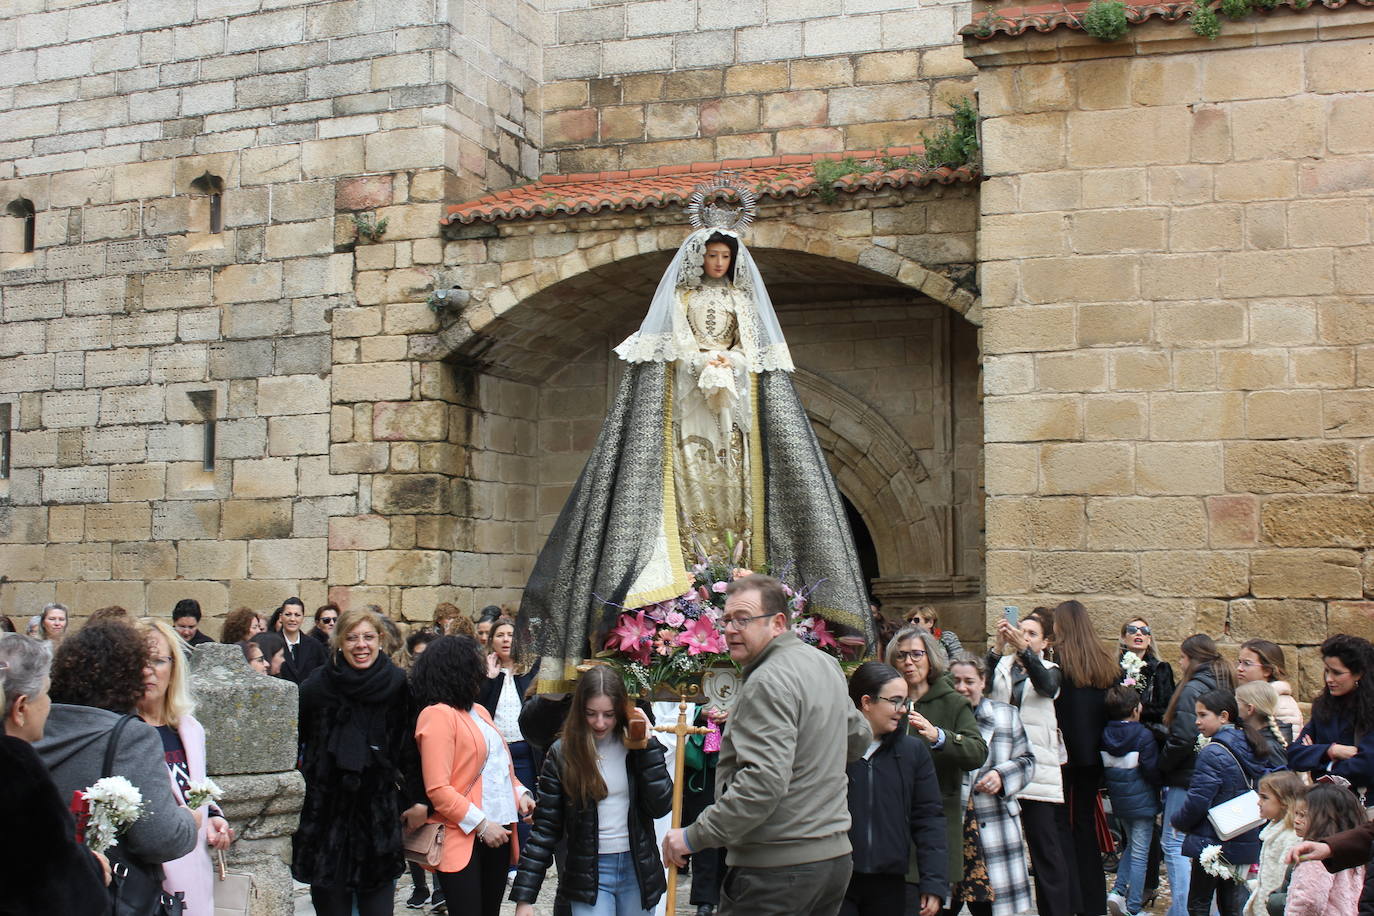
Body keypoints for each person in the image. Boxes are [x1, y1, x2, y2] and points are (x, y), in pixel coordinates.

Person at [520, 216, 874, 691]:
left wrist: (731, 362)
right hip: (687, 402)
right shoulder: (681, 300)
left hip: (733, 407)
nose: (719, 263)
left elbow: (754, 350)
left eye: (726, 257)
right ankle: (680, 585)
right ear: (698, 258)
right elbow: (674, 347)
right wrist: (699, 362)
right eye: (712, 255)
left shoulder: (741, 301)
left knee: (739, 475)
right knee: (682, 476)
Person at [661, 574, 871, 916]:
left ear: (778, 623)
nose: (730, 629)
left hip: (776, 870)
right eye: (726, 619)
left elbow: (761, 785)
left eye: (743, 619)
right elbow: (858, 738)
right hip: (831, 862)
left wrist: (692, 837)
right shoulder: (825, 664)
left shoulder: (768, 680)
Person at [34, 618, 200, 892]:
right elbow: (159, 839)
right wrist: (188, 822)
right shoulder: (132, 737)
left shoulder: (37, 725)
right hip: (100, 890)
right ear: (128, 676)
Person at [292, 607, 428, 916]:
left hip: (377, 815)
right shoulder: (315, 689)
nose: (360, 645)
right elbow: (295, 743)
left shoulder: (397, 686)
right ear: (338, 641)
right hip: (326, 817)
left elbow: (411, 749)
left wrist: (419, 799)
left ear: (381, 640)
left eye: (368, 637)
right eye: (351, 638)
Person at [512, 664, 670, 916]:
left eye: (608, 714)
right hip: (589, 872)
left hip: (636, 868)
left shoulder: (636, 745)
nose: (600, 723)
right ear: (579, 711)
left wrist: (649, 747)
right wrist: (524, 898)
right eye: (591, 713)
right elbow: (545, 829)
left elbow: (661, 805)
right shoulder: (563, 752)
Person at [410, 636, 530, 915]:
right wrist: (482, 825)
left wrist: (520, 793)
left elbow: (499, 769)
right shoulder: (436, 715)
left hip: (499, 829)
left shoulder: (480, 711)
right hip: (465, 833)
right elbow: (438, 789)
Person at [0, 633, 111, 916]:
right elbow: (62, 891)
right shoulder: (14, 767)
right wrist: (94, 869)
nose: (49, 704)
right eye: (46, 692)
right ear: (21, 707)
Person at [136, 618, 233, 916]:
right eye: (139, 660)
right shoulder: (124, 732)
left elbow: (193, 786)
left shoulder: (189, 728)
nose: (148, 671)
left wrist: (214, 815)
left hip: (194, 869)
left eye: (158, 660)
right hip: (149, 879)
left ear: (174, 667)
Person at [887, 624, 988, 904]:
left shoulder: (953, 703)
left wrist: (939, 737)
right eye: (901, 655)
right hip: (890, 817)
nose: (908, 662)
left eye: (916, 654)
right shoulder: (887, 700)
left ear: (930, 658)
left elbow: (977, 752)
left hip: (935, 816)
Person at [841, 661, 946, 916]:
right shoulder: (835, 748)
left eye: (905, 701)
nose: (903, 710)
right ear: (866, 702)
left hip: (891, 882)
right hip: (838, 881)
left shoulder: (912, 752)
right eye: (895, 701)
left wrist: (934, 882)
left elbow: (929, 818)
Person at [986, 607, 1072, 916]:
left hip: (1036, 769)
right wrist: (998, 647)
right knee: (993, 846)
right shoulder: (1001, 665)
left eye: (1032, 634)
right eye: (1021, 630)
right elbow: (979, 689)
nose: (1024, 637)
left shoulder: (1051, 668)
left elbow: (1047, 687)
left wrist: (1025, 651)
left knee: (1044, 848)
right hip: (999, 764)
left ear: (1046, 641)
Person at [1171, 688, 1281, 916]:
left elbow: (1199, 799)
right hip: (1243, 830)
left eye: (1203, 715)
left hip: (1212, 836)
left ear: (1223, 716)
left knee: (1199, 902)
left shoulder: (1213, 751)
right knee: (1231, 904)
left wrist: (1178, 821)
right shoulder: (1250, 741)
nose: (1197, 721)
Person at [949, 653, 1035, 916]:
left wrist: (1002, 776)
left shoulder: (1006, 716)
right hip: (952, 827)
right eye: (956, 681)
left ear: (983, 682)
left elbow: (1028, 761)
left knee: (988, 908)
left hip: (992, 823)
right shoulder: (940, 718)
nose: (962, 687)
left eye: (969, 681)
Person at [1050, 599, 1120, 916]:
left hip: (1067, 759)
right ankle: (1091, 902)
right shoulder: (1103, 661)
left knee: (1066, 828)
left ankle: (1077, 901)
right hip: (1094, 758)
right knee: (1086, 827)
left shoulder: (1059, 663)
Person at [1160, 633, 1236, 916]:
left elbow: (1182, 736)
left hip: (1187, 775)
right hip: (1210, 774)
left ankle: (1183, 909)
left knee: (1175, 843)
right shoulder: (1222, 681)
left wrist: (1162, 765)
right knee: (1205, 847)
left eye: (1181, 657)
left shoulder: (1193, 688)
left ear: (1192, 658)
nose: (1179, 663)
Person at [1100, 684, 1161, 916]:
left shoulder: (1105, 734)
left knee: (1131, 847)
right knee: (1140, 853)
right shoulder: (1143, 735)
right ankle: (1134, 906)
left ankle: (1116, 891)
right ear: (1136, 710)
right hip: (1143, 802)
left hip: (1120, 801)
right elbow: (1151, 770)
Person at [1288, 634, 1374, 797]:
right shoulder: (1324, 707)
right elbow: (1295, 754)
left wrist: (1323, 771)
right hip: (1328, 807)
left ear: (1358, 674)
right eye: (1327, 671)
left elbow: (1366, 765)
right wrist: (1331, 751)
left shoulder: (1369, 711)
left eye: (1337, 673)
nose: (1329, 679)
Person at [481, 615, 540, 852]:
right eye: (500, 635)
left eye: (511, 635)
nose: (506, 640)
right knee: (497, 804)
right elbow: (480, 709)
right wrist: (489, 680)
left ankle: (525, 858)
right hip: (494, 751)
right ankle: (503, 858)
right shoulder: (485, 671)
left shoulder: (530, 670)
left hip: (524, 748)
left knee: (525, 804)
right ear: (491, 641)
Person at [402, 627, 443, 911]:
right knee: (414, 828)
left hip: (439, 767)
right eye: (416, 657)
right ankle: (419, 886)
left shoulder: (443, 692)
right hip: (411, 769)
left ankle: (440, 887)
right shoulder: (405, 692)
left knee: (440, 829)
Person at [1285, 783, 1367, 916]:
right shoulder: (1352, 851)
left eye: (1303, 815)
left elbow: (1309, 900)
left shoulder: (1315, 853)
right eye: (1296, 814)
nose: (1296, 820)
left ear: (1327, 818)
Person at [1242, 770, 1304, 916]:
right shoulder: (1275, 831)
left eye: (1264, 798)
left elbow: (1280, 881)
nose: (1258, 802)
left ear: (1284, 802)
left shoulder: (1291, 837)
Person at [1235, 639, 1303, 739]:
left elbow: (1284, 745)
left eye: (1247, 663)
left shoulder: (1281, 704)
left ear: (1267, 670)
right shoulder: (1248, 698)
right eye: (1239, 662)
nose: (1239, 668)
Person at [1118, 616, 1176, 733]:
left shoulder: (1160, 669)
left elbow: (1168, 707)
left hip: (1149, 733)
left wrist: (1141, 710)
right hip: (1118, 732)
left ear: (1149, 639)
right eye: (1132, 630)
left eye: (1144, 630)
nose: (1138, 633)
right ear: (1124, 638)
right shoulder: (1114, 668)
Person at [277, 596, 326, 684]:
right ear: (281, 617)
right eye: (288, 614)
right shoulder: (272, 644)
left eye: (297, 615)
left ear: (303, 618)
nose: (292, 619)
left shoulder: (315, 645)